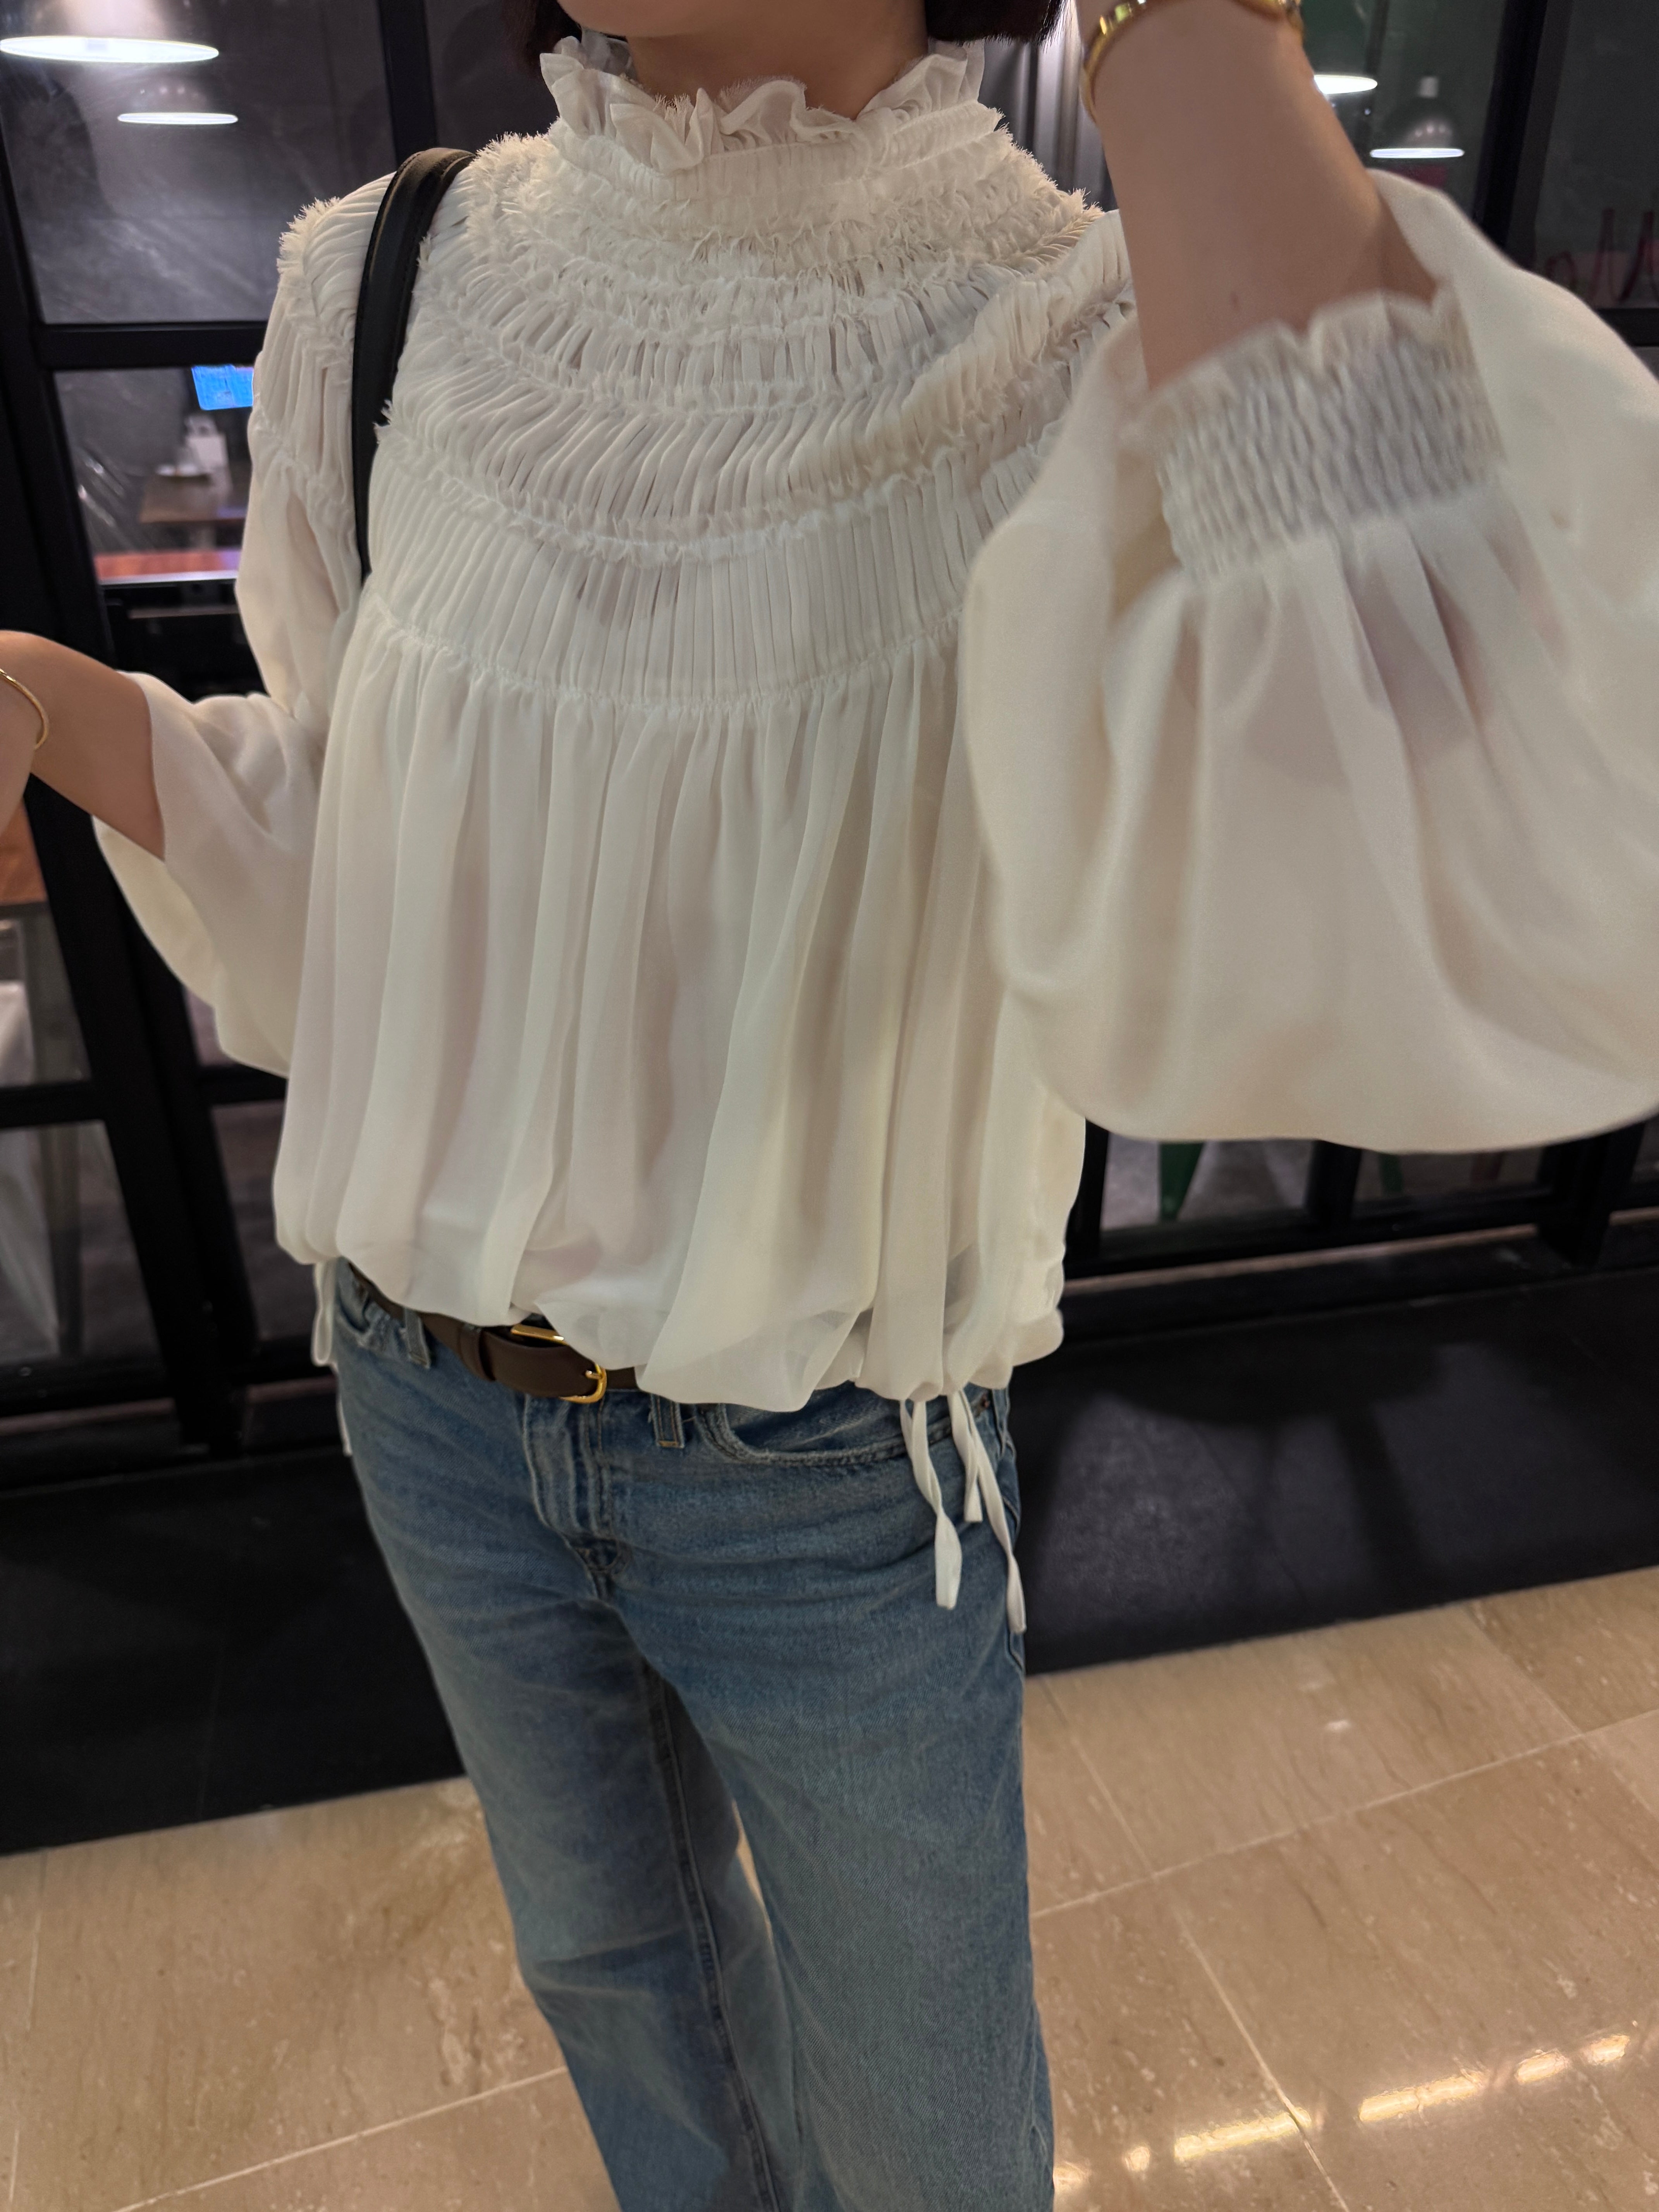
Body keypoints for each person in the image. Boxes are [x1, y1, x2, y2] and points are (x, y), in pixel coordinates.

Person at [3, 0, 1658, 2203]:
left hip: (821, 1474)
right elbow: (365, 869)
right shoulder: (380, 274)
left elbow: (1458, 795)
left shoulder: (1092, 337)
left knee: (924, 2127)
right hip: (424, 1401)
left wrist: (1180, 32)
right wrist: (59, 710)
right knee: (621, 1989)